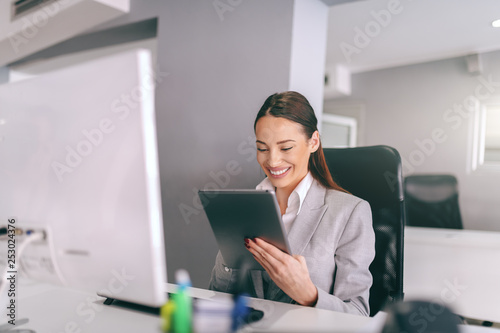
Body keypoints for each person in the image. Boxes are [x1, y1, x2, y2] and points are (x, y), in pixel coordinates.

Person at [208, 91, 375, 316]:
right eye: (262, 148)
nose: (273, 160)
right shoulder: (246, 207)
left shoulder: (350, 212)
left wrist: (308, 294)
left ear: (313, 142)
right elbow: (218, 295)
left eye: (286, 148)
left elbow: (358, 315)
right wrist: (230, 254)